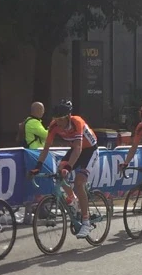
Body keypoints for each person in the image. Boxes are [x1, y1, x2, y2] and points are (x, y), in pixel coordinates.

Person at [31, 100, 98, 238]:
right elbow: (46, 148)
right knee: (59, 173)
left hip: (90, 150)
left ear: (68, 117)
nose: (58, 123)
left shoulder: (77, 122)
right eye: (55, 119)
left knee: (79, 182)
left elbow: (79, 148)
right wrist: (38, 166)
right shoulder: (54, 126)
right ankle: (73, 200)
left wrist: (69, 166)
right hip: (76, 149)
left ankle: (86, 221)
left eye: (60, 119)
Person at [19, 101, 50, 225]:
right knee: (39, 182)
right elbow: (47, 135)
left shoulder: (30, 121)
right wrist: (51, 129)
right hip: (35, 155)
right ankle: (41, 209)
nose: (43, 112)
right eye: (42, 110)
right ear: (37, 111)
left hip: (34, 154)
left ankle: (39, 209)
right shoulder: (33, 122)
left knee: (35, 183)